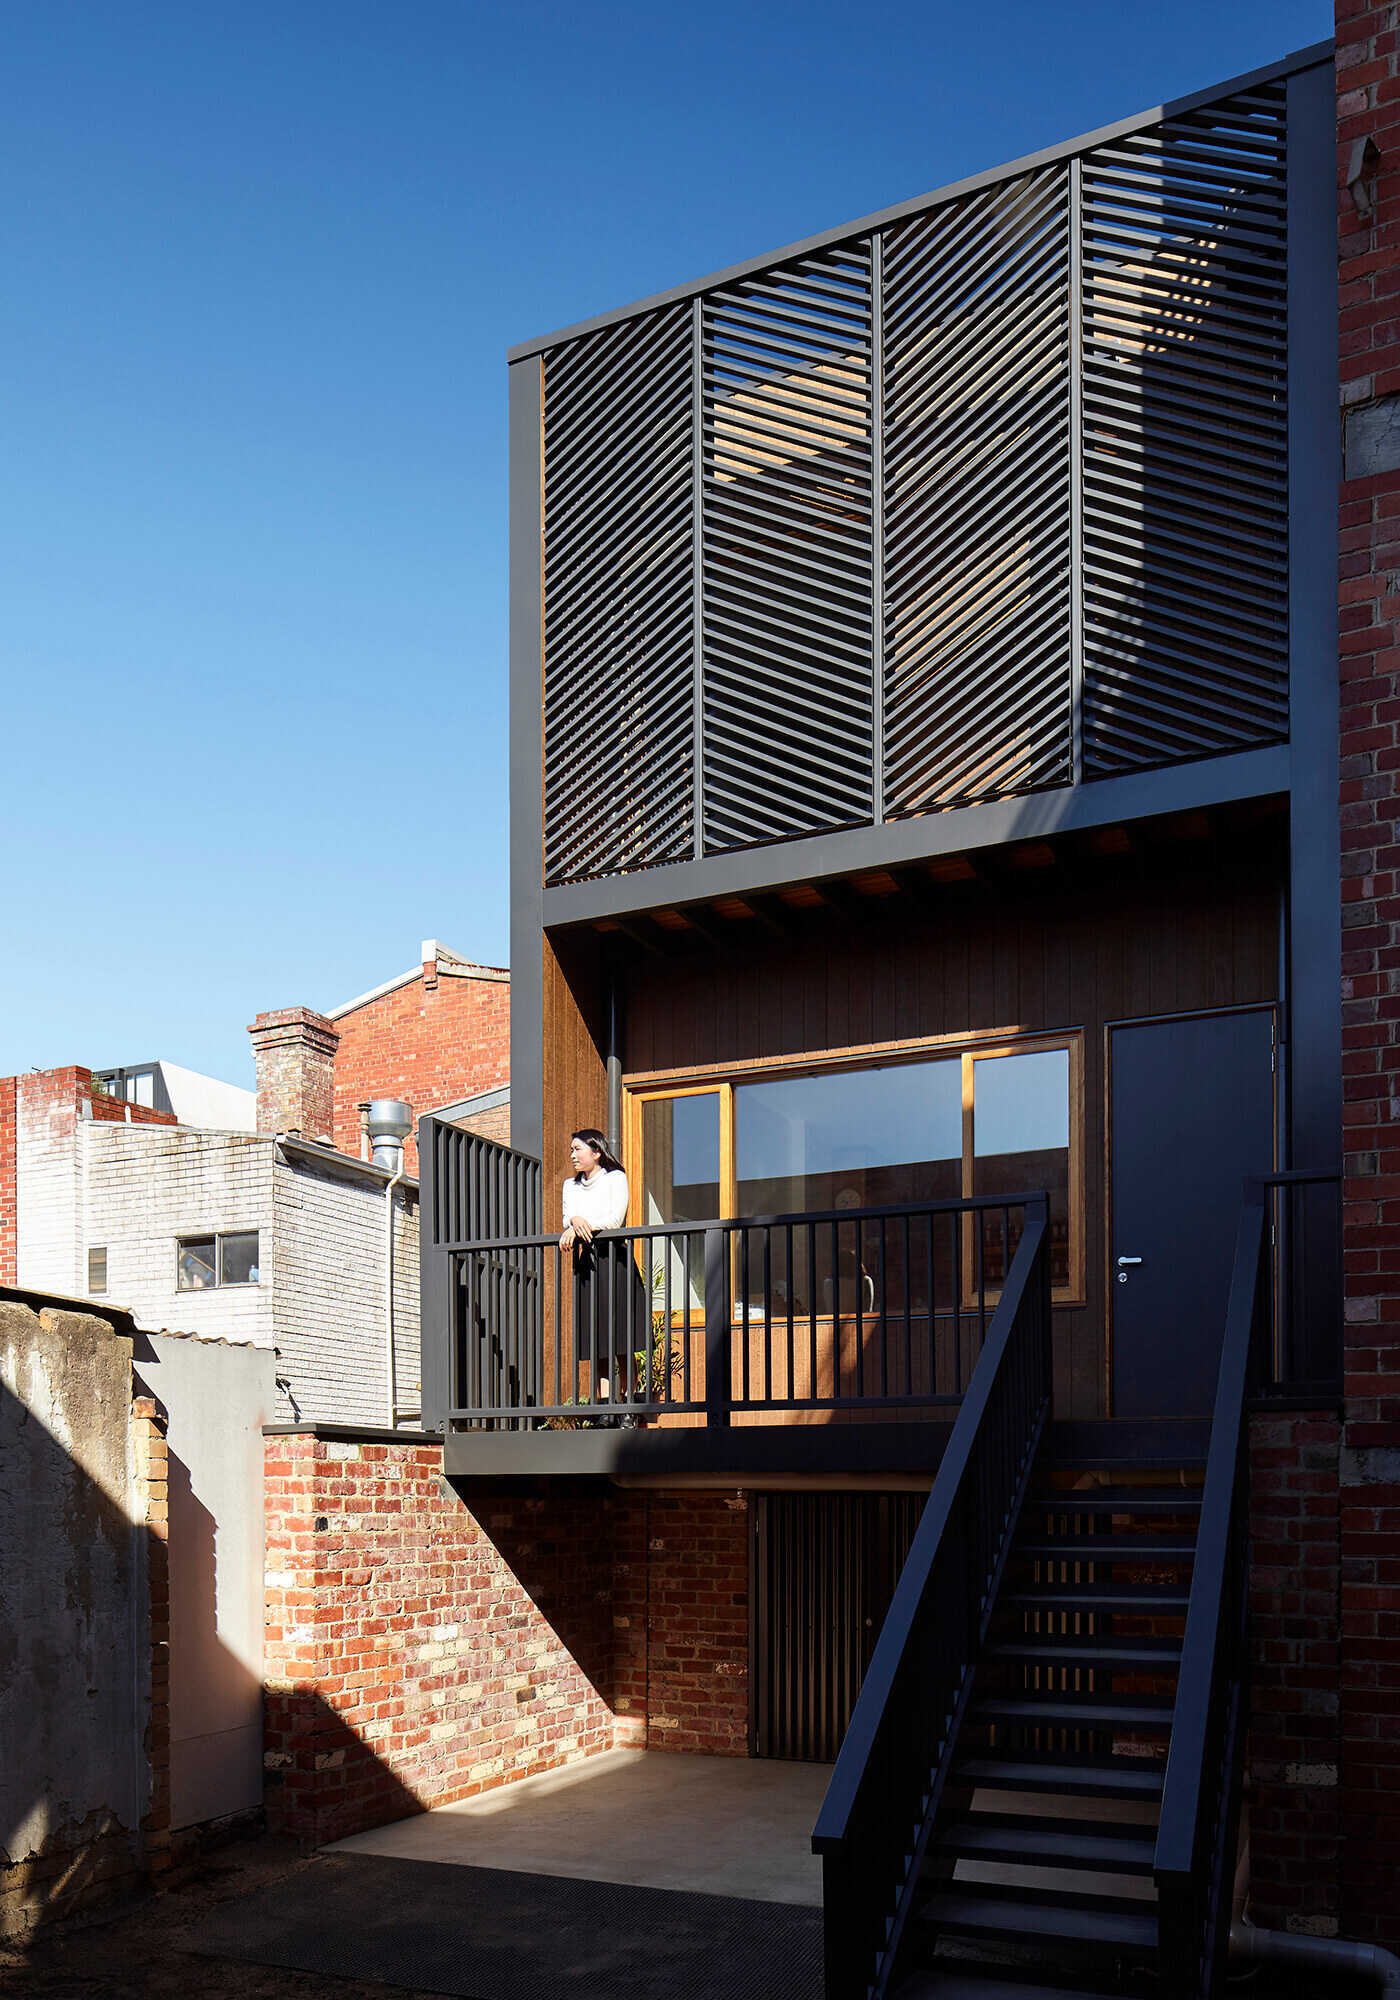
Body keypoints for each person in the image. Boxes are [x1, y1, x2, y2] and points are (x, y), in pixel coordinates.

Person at [560, 1129, 637, 1406]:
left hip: (615, 1260)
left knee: (623, 1338)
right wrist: (574, 1221)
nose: (572, 1155)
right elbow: (567, 1218)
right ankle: (605, 1406)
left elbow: (615, 1220)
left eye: (577, 1149)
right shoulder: (570, 1185)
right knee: (599, 1341)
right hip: (589, 1263)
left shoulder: (615, 1178)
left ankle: (628, 1404)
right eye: (571, 1149)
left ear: (596, 1152)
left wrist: (581, 1223)